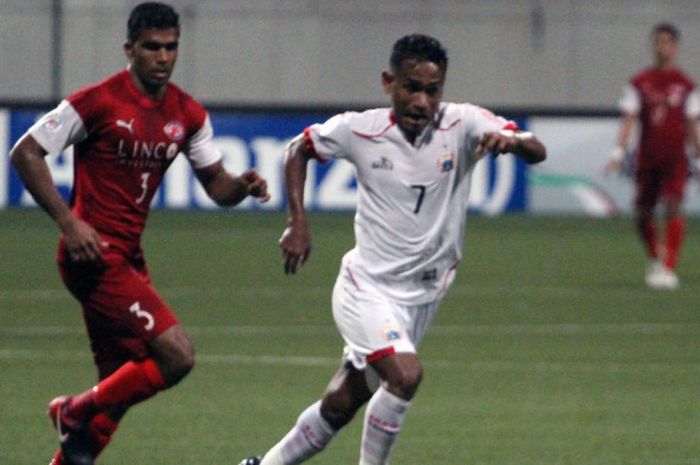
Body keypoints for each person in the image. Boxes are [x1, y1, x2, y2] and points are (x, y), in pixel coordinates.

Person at [239, 34, 545, 465]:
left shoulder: (464, 124)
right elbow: (298, 149)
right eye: (410, 87)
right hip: (367, 290)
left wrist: (513, 143)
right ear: (389, 83)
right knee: (405, 377)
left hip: (423, 297)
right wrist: (297, 222)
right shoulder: (360, 129)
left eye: (432, 91)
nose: (421, 101)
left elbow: (537, 149)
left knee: (341, 404)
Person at [10, 3, 270, 465]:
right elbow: (25, 152)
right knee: (177, 356)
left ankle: (72, 440)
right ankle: (72, 410)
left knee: (119, 388)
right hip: (91, 256)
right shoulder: (97, 101)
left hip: (128, 258)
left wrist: (242, 187)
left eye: (171, 47)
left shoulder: (187, 113)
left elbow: (216, 185)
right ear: (130, 49)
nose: (163, 57)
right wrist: (70, 223)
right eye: (152, 47)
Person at [606, 23, 700, 290]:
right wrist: (618, 151)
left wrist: (699, 156)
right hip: (647, 157)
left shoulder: (687, 85)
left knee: (673, 206)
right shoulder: (640, 83)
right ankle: (656, 257)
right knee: (643, 213)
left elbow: (693, 124)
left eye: (669, 42)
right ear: (653, 46)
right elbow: (630, 119)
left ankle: (669, 268)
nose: (664, 48)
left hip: (675, 158)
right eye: (659, 42)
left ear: (676, 47)